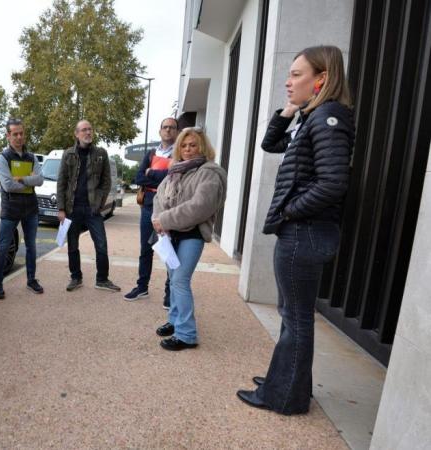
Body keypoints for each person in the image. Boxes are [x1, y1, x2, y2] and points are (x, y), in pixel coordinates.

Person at [236, 45, 354, 414]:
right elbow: (270, 143)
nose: (287, 82)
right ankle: (286, 382)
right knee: (293, 315)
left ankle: (284, 396)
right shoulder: (313, 118)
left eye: (296, 75)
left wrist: (289, 212)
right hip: (303, 232)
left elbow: (333, 183)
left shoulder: (329, 118)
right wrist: (291, 110)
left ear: (322, 79)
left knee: (296, 319)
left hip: (304, 232)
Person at [152, 128, 227, 351]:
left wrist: (164, 219)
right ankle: (175, 321)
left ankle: (186, 334)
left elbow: (199, 207)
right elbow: (158, 197)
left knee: (180, 280)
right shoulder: (175, 170)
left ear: (202, 147)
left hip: (192, 234)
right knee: (173, 278)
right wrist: (158, 220)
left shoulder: (210, 172)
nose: (187, 149)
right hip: (170, 234)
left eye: (193, 145)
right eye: (183, 146)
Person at [57, 120, 121, 292]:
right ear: (76, 134)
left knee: (101, 245)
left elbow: (106, 182)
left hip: (92, 209)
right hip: (72, 209)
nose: (88, 133)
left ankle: (102, 279)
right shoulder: (68, 154)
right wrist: (61, 208)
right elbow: (61, 182)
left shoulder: (101, 153)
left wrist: (99, 202)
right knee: (72, 245)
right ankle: (76, 277)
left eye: (90, 129)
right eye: (84, 130)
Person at [124, 117, 177, 306]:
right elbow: (139, 177)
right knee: (145, 249)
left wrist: (151, 174)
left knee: (170, 250)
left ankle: (170, 292)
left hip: (170, 208)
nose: (168, 130)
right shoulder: (151, 153)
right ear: (160, 130)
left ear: (176, 131)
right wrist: (159, 176)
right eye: (165, 127)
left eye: (172, 127)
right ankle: (142, 287)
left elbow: (174, 178)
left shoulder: (179, 154)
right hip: (148, 206)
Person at [0, 118, 44, 299]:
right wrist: (28, 180)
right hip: (10, 209)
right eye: (15, 134)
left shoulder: (31, 157)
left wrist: (20, 179)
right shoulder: (2, 157)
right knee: (4, 247)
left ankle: (32, 280)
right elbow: (7, 185)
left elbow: (40, 179)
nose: (19, 137)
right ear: (8, 136)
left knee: (31, 246)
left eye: (21, 133)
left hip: (31, 208)